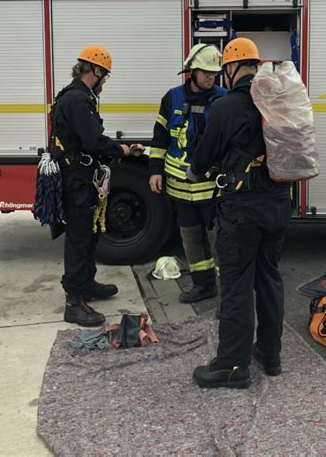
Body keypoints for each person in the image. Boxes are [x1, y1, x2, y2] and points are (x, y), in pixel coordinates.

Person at [188, 38, 293, 389]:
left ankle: (232, 366)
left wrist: (194, 170)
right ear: (257, 65)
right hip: (278, 205)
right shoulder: (277, 100)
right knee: (269, 278)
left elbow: (202, 159)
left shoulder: (225, 107)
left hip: (242, 210)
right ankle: (270, 354)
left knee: (236, 285)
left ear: (231, 69)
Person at [52, 45, 140, 327]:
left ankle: (87, 283)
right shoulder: (78, 99)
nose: (105, 83)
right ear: (97, 71)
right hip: (76, 180)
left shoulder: (78, 96)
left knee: (89, 234)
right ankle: (74, 302)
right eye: (106, 77)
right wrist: (123, 151)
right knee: (79, 238)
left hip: (81, 176)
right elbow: (93, 141)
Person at [149, 43, 227, 303]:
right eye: (205, 72)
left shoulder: (224, 98)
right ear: (191, 71)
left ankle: (228, 289)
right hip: (180, 186)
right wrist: (155, 171)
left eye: (214, 73)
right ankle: (204, 286)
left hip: (212, 187)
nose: (210, 77)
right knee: (191, 240)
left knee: (220, 240)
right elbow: (160, 138)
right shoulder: (171, 98)